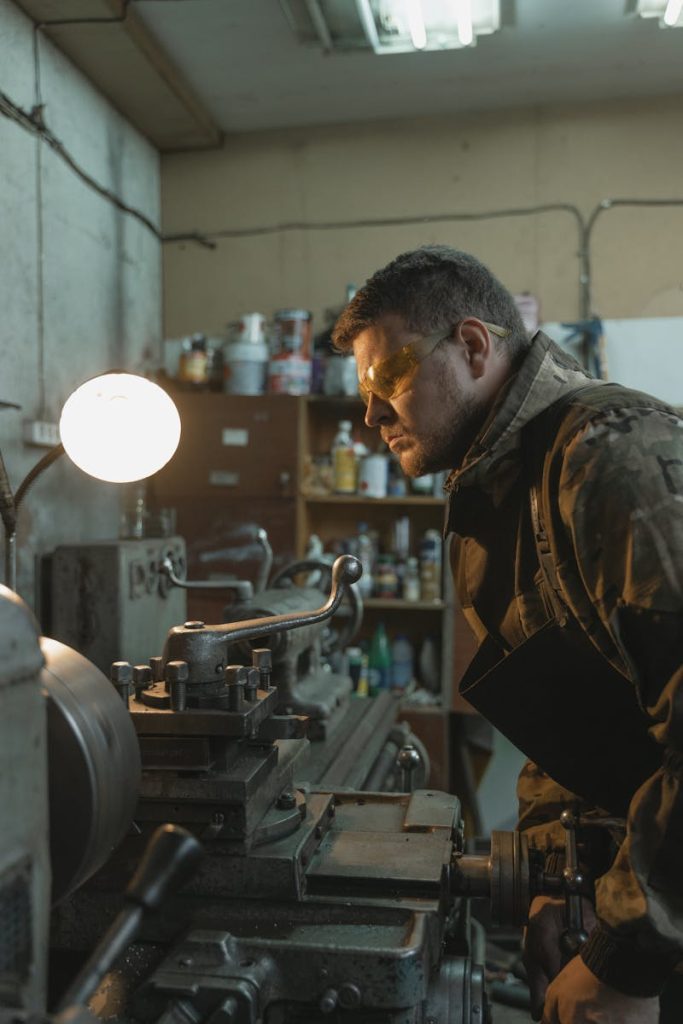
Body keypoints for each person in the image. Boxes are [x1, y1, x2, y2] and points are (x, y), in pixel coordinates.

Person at [331, 245, 683, 1024]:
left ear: (474, 346)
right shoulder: (492, 504)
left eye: (387, 379)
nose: (369, 414)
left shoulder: (613, 459)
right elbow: (572, 718)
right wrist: (552, 876)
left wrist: (630, 962)